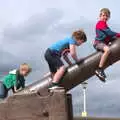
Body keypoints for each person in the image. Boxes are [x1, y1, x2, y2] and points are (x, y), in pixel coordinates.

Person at [93, 8, 120, 82]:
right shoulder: (100, 23)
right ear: (100, 16)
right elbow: (109, 33)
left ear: (109, 17)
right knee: (107, 50)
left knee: (109, 50)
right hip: (98, 43)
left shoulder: (105, 25)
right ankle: (99, 69)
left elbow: (110, 36)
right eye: (103, 15)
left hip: (104, 43)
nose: (105, 17)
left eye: (107, 16)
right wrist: (118, 34)